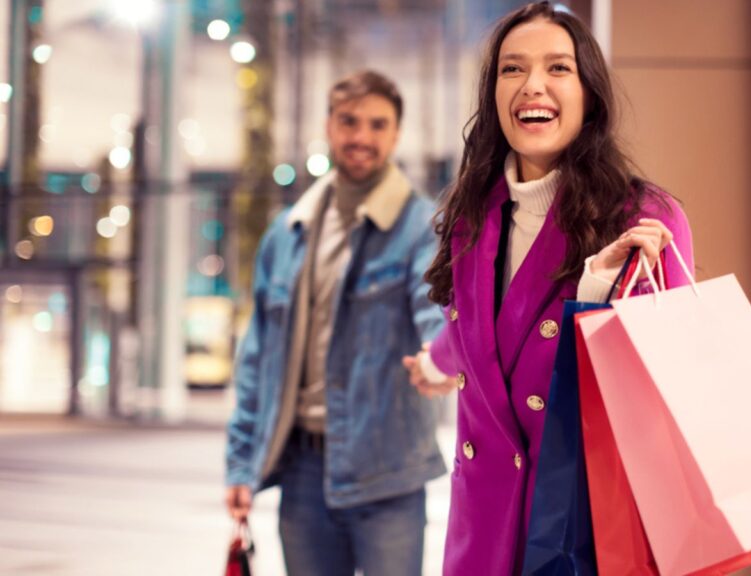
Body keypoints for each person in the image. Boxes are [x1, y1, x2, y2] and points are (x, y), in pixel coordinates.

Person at [403, 3, 697, 574]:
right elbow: (478, 340)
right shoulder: (469, 216)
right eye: (512, 69)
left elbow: (658, 390)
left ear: (590, 93)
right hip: (483, 528)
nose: (532, 85)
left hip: (585, 525)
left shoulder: (643, 218)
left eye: (558, 68)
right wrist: (435, 366)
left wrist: (595, 292)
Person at [225, 70, 449, 576]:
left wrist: (440, 356)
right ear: (329, 125)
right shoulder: (287, 234)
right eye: (349, 121)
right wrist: (242, 464)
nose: (361, 137)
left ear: (396, 134)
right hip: (303, 471)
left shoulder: (421, 229)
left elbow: (432, 305)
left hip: (388, 471)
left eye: (377, 124)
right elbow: (257, 358)